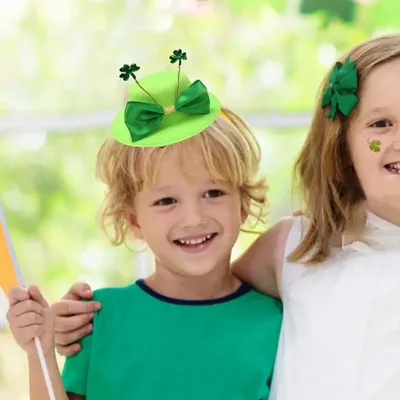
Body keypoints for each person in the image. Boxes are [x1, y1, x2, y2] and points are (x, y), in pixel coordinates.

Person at [54, 35, 400, 399]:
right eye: (381, 124)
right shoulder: (297, 244)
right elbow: (197, 291)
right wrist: (75, 325)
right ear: (342, 143)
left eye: (213, 194)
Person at [6, 50, 282, 400]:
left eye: (213, 192)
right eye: (166, 201)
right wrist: (40, 353)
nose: (194, 218)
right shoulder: (98, 321)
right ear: (133, 219)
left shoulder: (276, 323)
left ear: (243, 204)